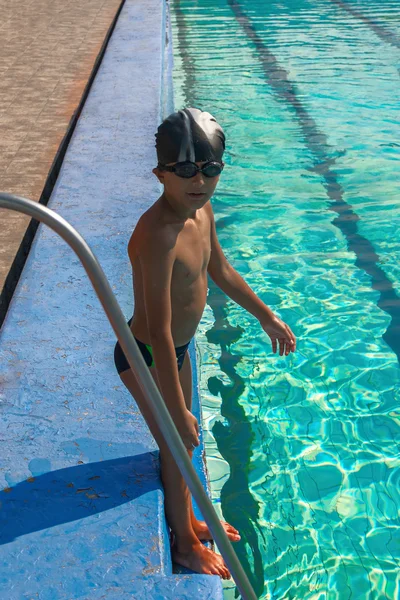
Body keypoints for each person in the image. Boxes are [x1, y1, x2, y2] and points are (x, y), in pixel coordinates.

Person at [114, 107, 296, 578]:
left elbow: (221, 270)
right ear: (161, 174)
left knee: (186, 445)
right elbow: (156, 329)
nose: (200, 181)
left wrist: (266, 316)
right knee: (177, 442)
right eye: (187, 170)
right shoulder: (158, 235)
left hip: (177, 353)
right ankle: (184, 545)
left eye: (211, 169)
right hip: (148, 356)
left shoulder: (201, 209)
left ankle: (191, 520)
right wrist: (175, 407)